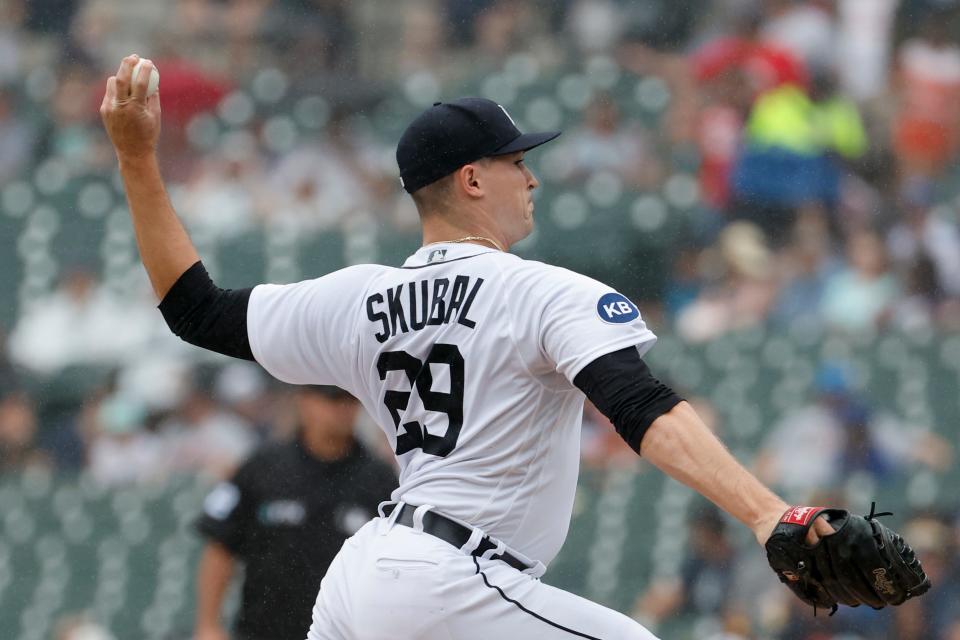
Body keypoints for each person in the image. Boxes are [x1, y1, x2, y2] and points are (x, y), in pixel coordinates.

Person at [101, 55, 836, 639]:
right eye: (517, 161)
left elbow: (193, 310)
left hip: (361, 581)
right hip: (453, 581)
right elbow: (641, 408)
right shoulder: (540, 292)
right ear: (474, 178)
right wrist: (770, 514)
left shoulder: (359, 296)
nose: (533, 174)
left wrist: (137, 160)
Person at [193, 384, 397, 640]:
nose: (341, 409)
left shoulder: (379, 479)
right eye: (330, 399)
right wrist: (208, 625)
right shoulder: (262, 467)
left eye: (349, 399)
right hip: (263, 631)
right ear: (304, 400)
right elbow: (220, 545)